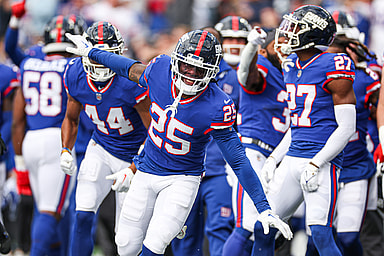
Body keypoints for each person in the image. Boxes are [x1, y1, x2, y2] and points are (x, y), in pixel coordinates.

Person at [65, 29, 293, 256]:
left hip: (181, 179)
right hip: (146, 171)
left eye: (198, 69)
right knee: (125, 245)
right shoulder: (160, 70)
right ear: (177, 61)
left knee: (154, 245)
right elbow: (126, 66)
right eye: (186, 66)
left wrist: (263, 207)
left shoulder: (216, 105)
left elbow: (238, 160)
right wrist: (91, 52)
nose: (190, 74)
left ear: (212, 71)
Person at [257, 5, 356, 256]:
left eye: (296, 27)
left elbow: (347, 127)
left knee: (321, 234)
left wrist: (317, 163)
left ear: (313, 34)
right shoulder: (290, 64)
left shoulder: (335, 64)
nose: (288, 32)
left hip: (321, 162)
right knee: (264, 226)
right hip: (292, 158)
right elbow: (298, 124)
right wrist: (274, 158)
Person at [60, 21, 151, 256]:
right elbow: (71, 118)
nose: (100, 63)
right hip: (100, 148)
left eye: (106, 56)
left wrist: (133, 168)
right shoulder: (75, 72)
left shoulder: (131, 81)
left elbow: (155, 132)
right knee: (82, 214)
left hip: (135, 155)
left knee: (126, 239)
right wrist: (65, 150)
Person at [6, 10, 86, 254]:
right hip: (57, 142)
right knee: (50, 212)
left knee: (48, 211)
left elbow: (17, 120)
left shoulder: (29, 63)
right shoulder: (74, 65)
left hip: (30, 141)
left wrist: (15, 21)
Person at [170, 22, 243, 256]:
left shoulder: (234, 79)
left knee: (220, 228)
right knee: (181, 231)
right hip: (183, 167)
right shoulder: (175, 76)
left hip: (218, 167)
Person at [222, 26, 290, 256]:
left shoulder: (290, 73)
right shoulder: (262, 65)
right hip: (253, 152)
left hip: (276, 158)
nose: (284, 49)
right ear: (264, 50)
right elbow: (246, 76)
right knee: (245, 226)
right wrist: (251, 47)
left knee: (267, 229)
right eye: (277, 44)